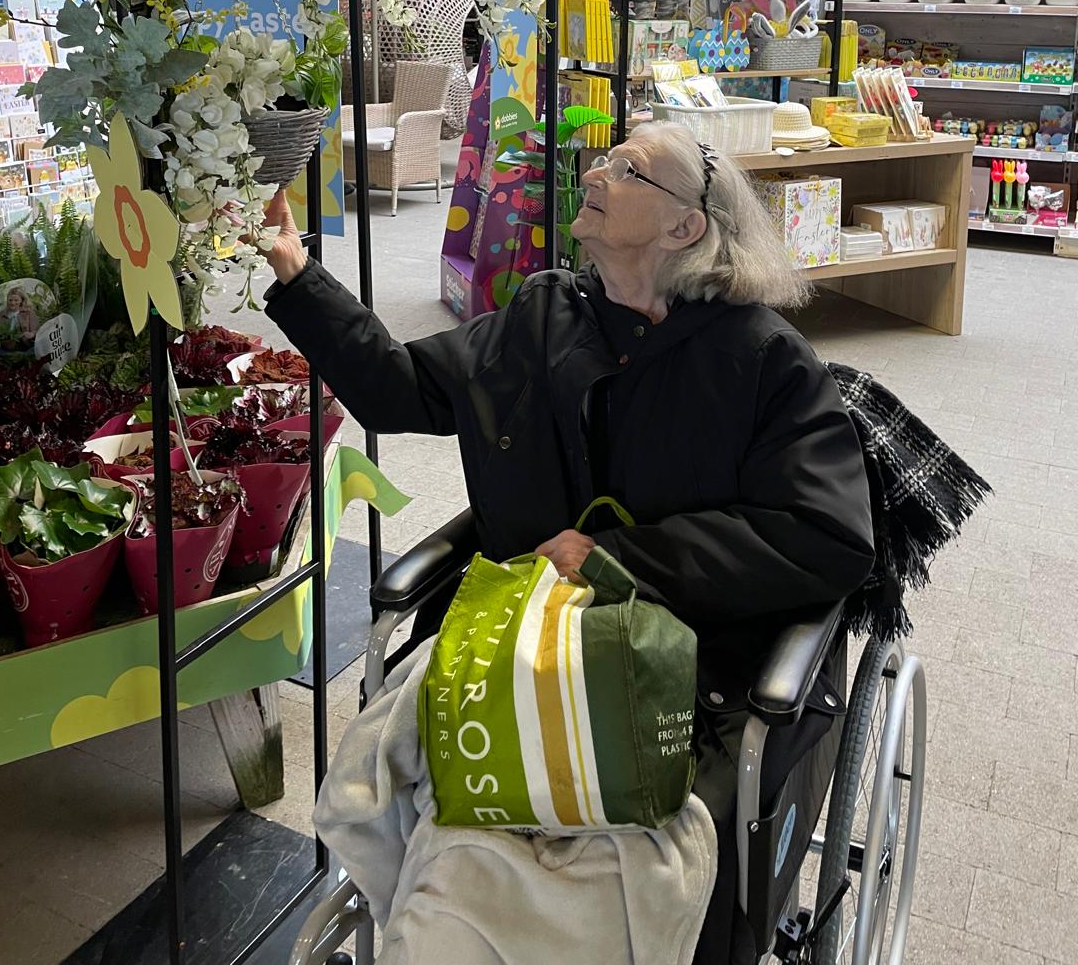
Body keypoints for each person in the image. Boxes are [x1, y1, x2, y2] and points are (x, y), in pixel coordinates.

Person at [262, 122, 875, 964]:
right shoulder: (545, 317)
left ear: (685, 226)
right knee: (442, 871)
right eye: (606, 158)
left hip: (688, 675)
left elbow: (827, 533)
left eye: (628, 169)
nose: (595, 170)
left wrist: (619, 561)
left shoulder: (763, 358)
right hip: (519, 652)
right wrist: (297, 273)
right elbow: (399, 388)